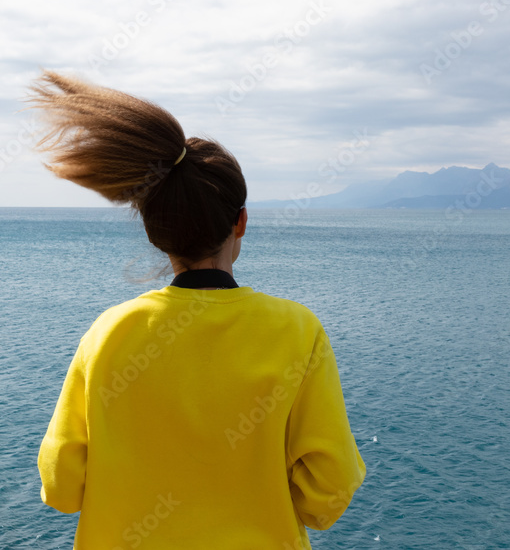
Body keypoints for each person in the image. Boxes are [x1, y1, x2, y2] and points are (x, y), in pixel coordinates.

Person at [29, 71, 365, 549]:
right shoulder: (296, 331)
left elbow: (62, 486)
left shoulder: (109, 333)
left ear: (152, 229)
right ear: (241, 222)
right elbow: (328, 491)